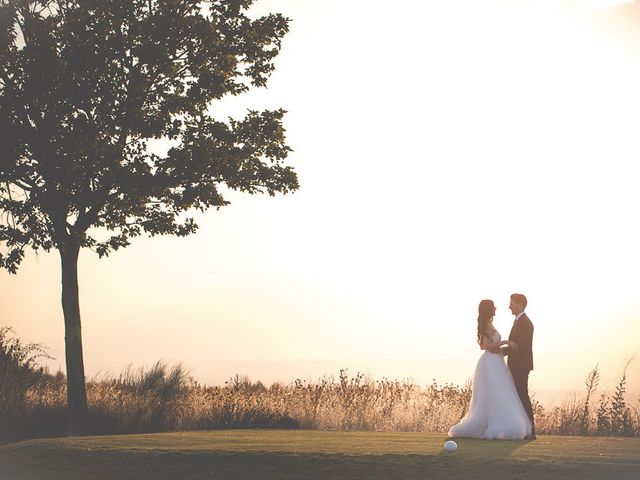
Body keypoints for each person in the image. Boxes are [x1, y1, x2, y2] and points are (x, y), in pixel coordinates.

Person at [448, 299, 532, 440]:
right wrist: (506, 342)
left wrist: (503, 348)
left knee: (499, 393)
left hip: (496, 361)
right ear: (489, 309)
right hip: (491, 362)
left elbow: (488, 347)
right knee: (495, 393)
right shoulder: (486, 325)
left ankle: (498, 422)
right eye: (493, 307)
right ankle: (493, 424)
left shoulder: (489, 324)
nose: (496, 308)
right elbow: (488, 347)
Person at [495, 293, 536, 439]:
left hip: (521, 366)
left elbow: (519, 346)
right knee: (518, 397)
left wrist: (500, 351)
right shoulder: (518, 321)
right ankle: (523, 429)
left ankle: (531, 430)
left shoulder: (525, 323)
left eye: (512, 304)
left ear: (520, 304)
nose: (509, 306)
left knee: (523, 396)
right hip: (516, 365)